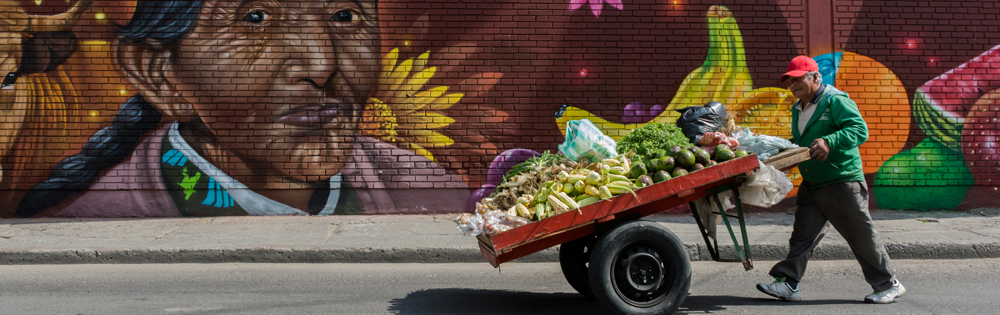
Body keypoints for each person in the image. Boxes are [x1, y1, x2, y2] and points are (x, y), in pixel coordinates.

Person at [15, 0, 469, 217]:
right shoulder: (102, 217)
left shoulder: (430, 193)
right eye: (255, 18)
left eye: (345, 16)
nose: (322, 64)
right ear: (158, 74)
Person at [755, 56, 905, 304]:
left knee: (860, 235)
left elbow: (859, 130)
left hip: (842, 181)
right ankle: (789, 284)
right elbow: (802, 143)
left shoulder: (834, 100)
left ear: (816, 77)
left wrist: (830, 141)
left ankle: (889, 285)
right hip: (813, 183)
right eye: (789, 81)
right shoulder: (798, 108)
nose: (793, 85)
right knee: (802, 236)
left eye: (799, 78)